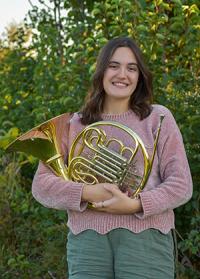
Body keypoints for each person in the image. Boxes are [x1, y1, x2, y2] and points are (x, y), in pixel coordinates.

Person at [32, 37, 193, 279]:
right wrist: (87, 192)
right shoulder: (74, 124)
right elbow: (41, 186)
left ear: (139, 76)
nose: (122, 74)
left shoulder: (158, 118)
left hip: (146, 239)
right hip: (87, 241)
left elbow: (182, 185)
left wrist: (136, 204)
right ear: (101, 71)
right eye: (114, 65)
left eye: (131, 68)